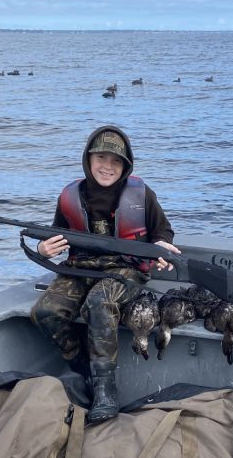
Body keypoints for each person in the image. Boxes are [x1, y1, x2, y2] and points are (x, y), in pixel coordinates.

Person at [30, 125, 180, 424]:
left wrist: (163, 246)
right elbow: (55, 236)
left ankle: (106, 391)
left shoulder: (141, 193)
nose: (107, 166)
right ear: (88, 159)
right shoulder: (70, 195)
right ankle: (84, 368)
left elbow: (163, 230)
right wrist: (43, 248)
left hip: (126, 269)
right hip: (79, 268)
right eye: (100, 158)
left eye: (115, 161)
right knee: (44, 312)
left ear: (125, 166)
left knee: (99, 303)